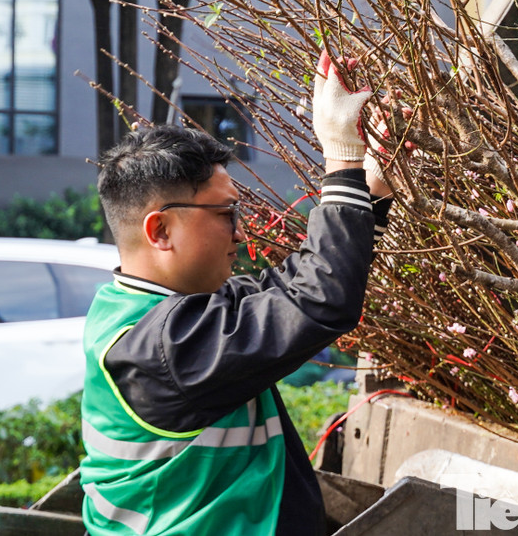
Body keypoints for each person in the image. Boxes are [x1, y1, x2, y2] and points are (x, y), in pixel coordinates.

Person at [79, 54, 388, 535]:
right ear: (160, 230)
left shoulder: (158, 314)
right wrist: (341, 157)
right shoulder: (162, 349)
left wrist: (369, 186)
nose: (241, 235)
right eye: (226, 215)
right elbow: (316, 301)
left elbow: (290, 291)